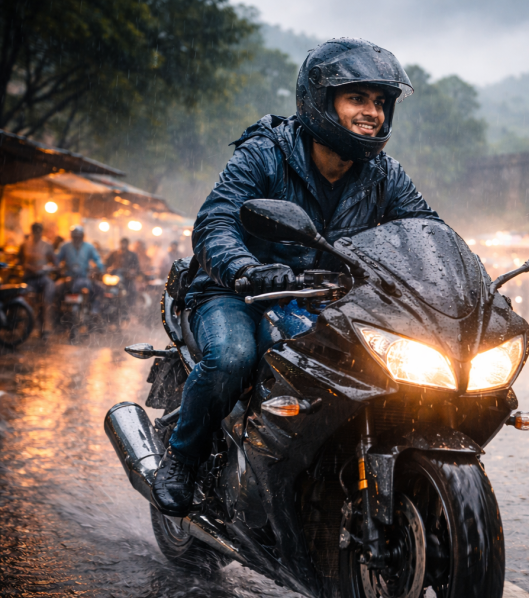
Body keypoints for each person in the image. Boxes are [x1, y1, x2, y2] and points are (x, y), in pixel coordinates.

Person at [152, 38, 443, 516]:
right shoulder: (265, 154)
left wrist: (470, 291)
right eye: (357, 98)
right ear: (319, 100)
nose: (371, 112)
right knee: (232, 358)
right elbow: (216, 222)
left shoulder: (385, 175)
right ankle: (182, 460)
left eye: (379, 102)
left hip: (328, 301)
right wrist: (245, 269)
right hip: (237, 292)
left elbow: (428, 233)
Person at [55, 225, 105, 315]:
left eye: (79, 237)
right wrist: (57, 267)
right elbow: (56, 259)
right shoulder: (65, 246)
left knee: (100, 289)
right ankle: (57, 313)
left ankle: (93, 310)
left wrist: (98, 268)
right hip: (68, 278)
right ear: (72, 236)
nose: (77, 239)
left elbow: (97, 259)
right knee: (55, 290)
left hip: (85, 277)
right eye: (75, 237)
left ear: (82, 236)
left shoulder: (89, 247)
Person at [17, 223, 56, 335]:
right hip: (29, 278)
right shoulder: (24, 245)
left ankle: (46, 325)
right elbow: (19, 260)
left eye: (39, 231)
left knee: (48, 297)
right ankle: (24, 323)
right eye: (35, 231)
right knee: (24, 299)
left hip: (43, 277)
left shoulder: (47, 245)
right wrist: (26, 266)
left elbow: (54, 261)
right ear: (32, 231)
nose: (37, 233)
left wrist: (46, 267)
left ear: (41, 231)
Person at [106, 237, 142, 304]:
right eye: (122, 243)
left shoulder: (132, 255)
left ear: (127, 244)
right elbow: (107, 263)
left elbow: (137, 267)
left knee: (132, 291)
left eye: (125, 243)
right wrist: (107, 269)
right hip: (115, 277)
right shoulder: (114, 253)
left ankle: (130, 305)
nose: (123, 245)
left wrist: (132, 272)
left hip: (127, 278)